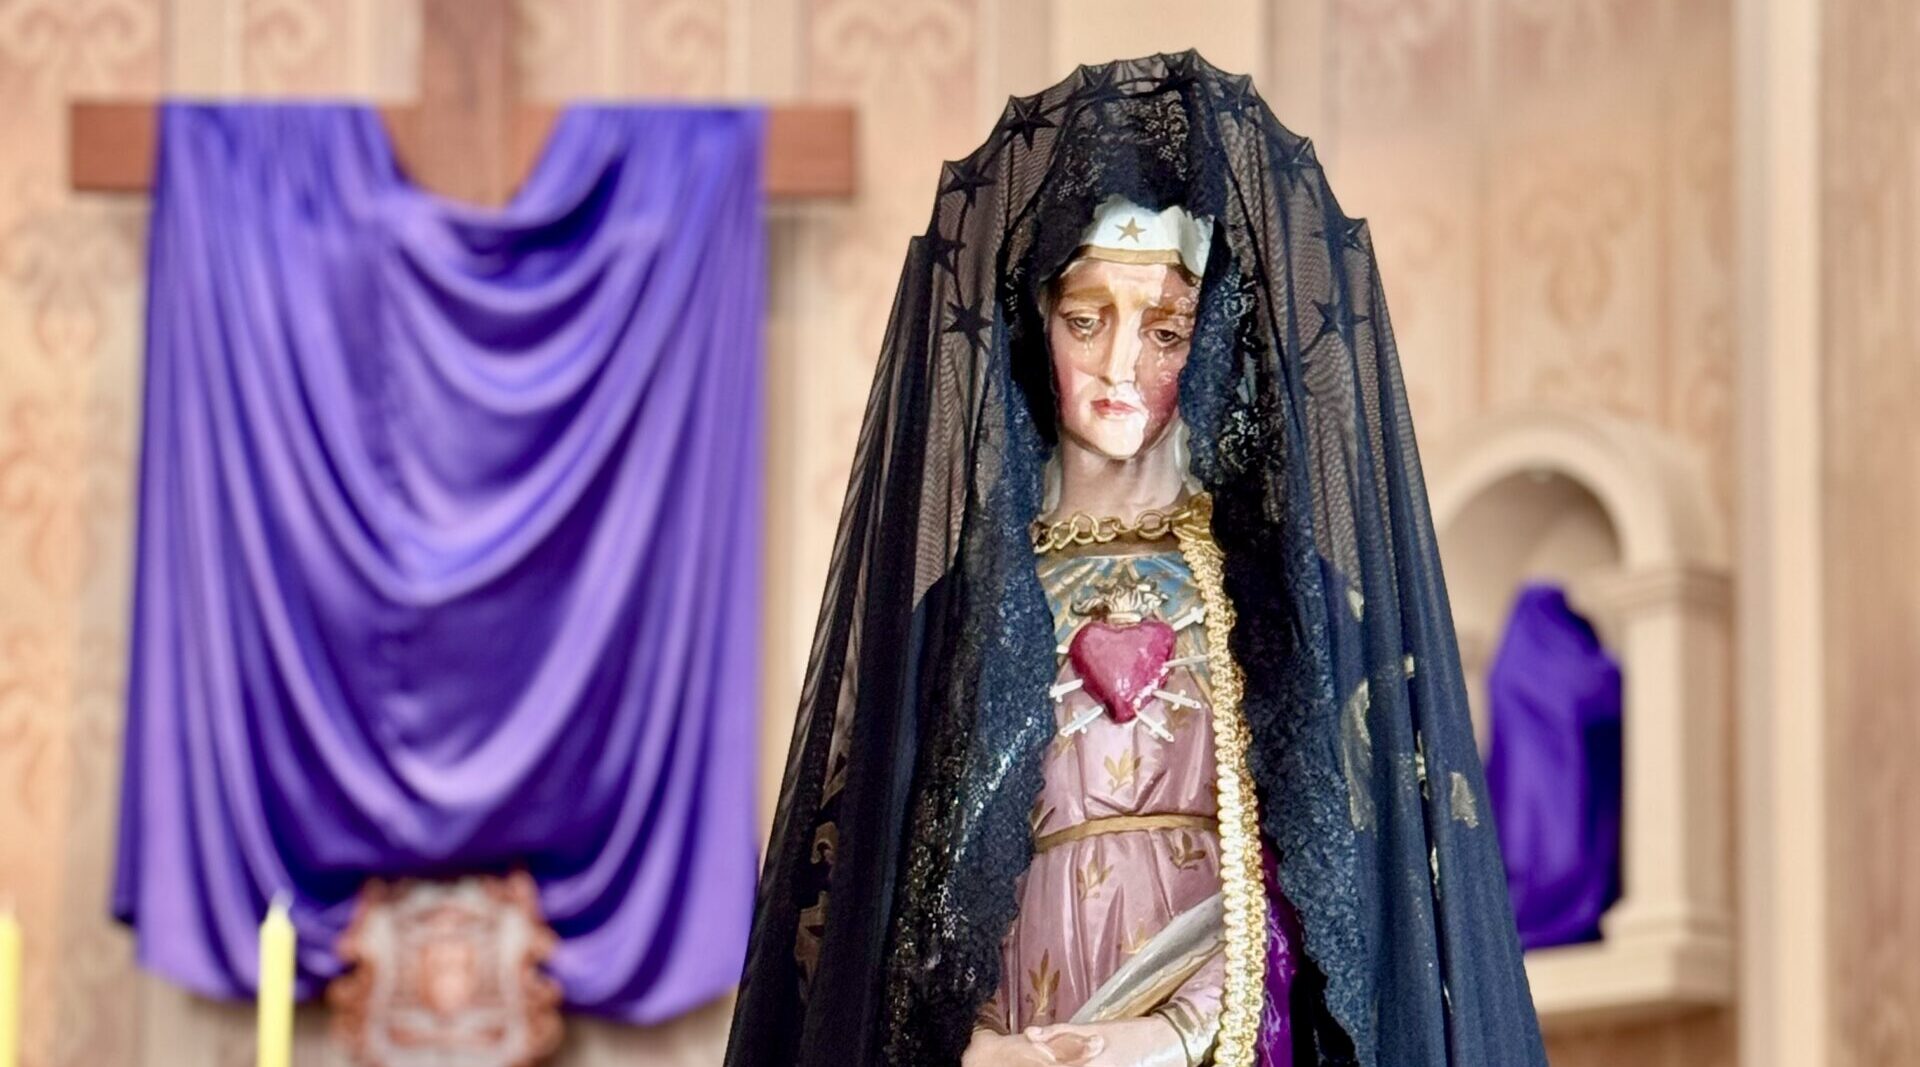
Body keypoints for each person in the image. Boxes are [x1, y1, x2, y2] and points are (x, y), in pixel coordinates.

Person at [725, 52, 1547, 1067]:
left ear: (1210, 340)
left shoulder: (1279, 607)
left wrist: (1173, 1030)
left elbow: (1347, 890)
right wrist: (980, 1047)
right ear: (1036, 322)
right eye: (1087, 321)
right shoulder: (959, 623)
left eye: (1164, 330)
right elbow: (881, 903)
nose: (1122, 366)